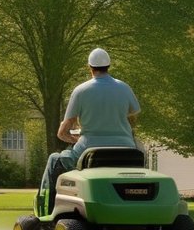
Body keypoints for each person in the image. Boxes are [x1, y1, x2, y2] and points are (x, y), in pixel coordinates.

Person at [43, 48, 141, 213]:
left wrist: (74, 139)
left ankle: (48, 211)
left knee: (55, 160)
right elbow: (134, 113)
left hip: (90, 152)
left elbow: (62, 132)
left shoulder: (81, 90)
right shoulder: (124, 88)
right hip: (126, 149)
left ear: (89, 67)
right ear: (109, 66)